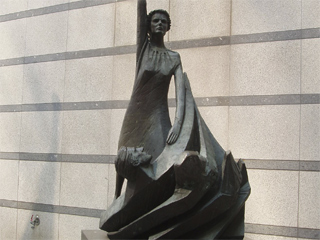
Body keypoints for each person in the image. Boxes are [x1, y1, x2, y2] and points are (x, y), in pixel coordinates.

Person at [118, 0, 185, 162]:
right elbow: (141, 10)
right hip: (135, 115)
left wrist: (177, 123)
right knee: (124, 158)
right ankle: (117, 189)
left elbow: (181, 93)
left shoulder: (174, 58)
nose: (160, 24)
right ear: (148, 26)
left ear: (168, 27)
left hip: (158, 117)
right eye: (156, 21)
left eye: (164, 21)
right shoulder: (144, 49)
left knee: (160, 159)